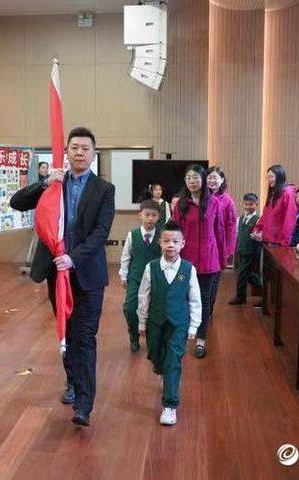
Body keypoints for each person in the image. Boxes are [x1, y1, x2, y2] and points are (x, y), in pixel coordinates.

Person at [10, 127, 115, 426]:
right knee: (66, 334)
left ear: (93, 154)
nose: (79, 152)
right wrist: (44, 182)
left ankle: (84, 404)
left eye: (85, 148)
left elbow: (100, 233)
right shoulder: (55, 184)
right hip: (56, 274)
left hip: (88, 275)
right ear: (66, 152)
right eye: (74, 147)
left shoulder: (104, 190)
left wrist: (74, 257)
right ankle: (72, 381)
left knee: (85, 337)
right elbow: (17, 203)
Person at [137, 221, 202, 426]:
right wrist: (142, 322)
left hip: (179, 323)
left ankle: (170, 405)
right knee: (156, 356)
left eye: (175, 241)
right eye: (166, 241)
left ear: (183, 243)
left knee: (173, 360)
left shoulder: (188, 269)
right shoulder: (151, 267)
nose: (170, 245)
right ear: (160, 243)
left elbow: (195, 299)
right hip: (155, 322)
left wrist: (194, 325)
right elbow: (143, 296)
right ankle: (161, 370)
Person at [173, 164, 223, 359]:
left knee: (203, 301)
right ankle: (185, 334)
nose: (192, 181)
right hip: (186, 260)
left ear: (203, 179)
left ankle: (201, 340)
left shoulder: (214, 202)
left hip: (209, 261)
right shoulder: (181, 205)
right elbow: (175, 234)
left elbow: (219, 230)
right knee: (184, 299)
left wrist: (222, 257)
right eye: (188, 178)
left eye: (195, 177)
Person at [251, 165, 298, 307]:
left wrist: (284, 242)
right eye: (268, 177)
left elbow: (289, 220)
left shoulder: (287, 193)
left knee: (275, 276)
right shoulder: (273, 194)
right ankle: (266, 301)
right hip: (267, 240)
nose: (269, 179)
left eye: (271, 176)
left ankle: (274, 304)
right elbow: (266, 215)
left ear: (280, 176)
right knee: (265, 272)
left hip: (278, 243)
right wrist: (257, 228)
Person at [118, 200, 162, 353]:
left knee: (155, 309)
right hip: (136, 277)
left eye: (154, 215)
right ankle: (134, 336)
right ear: (140, 215)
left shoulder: (162, 235)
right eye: (147, 215)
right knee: (130, 308)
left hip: (156, 278)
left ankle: (152, 337)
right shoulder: (133, 235)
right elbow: (126, 256)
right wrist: (123, 275)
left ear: (158, 217)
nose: (150, 218)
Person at [207, 166, 238, 319]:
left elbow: (231, 226)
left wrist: (229, 249)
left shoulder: (227, 200)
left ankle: (208, 309)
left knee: (214, 279)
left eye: (215, 178)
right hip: (204, 244)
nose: (212, 181)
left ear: (222, 180)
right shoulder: (202, 197)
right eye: (209, 177)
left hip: (219, 246)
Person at [228, 193, 260, 305]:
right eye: (246, 204)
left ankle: (240, 296)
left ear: (256, 204)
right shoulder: (240, 218)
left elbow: (259, 236)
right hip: (241, 250)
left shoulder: (258, 220)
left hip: (251, 251)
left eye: (251, 204)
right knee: (246, 274)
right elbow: (237, 234)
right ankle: (263, 288)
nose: (248, 207)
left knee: (242, 274)